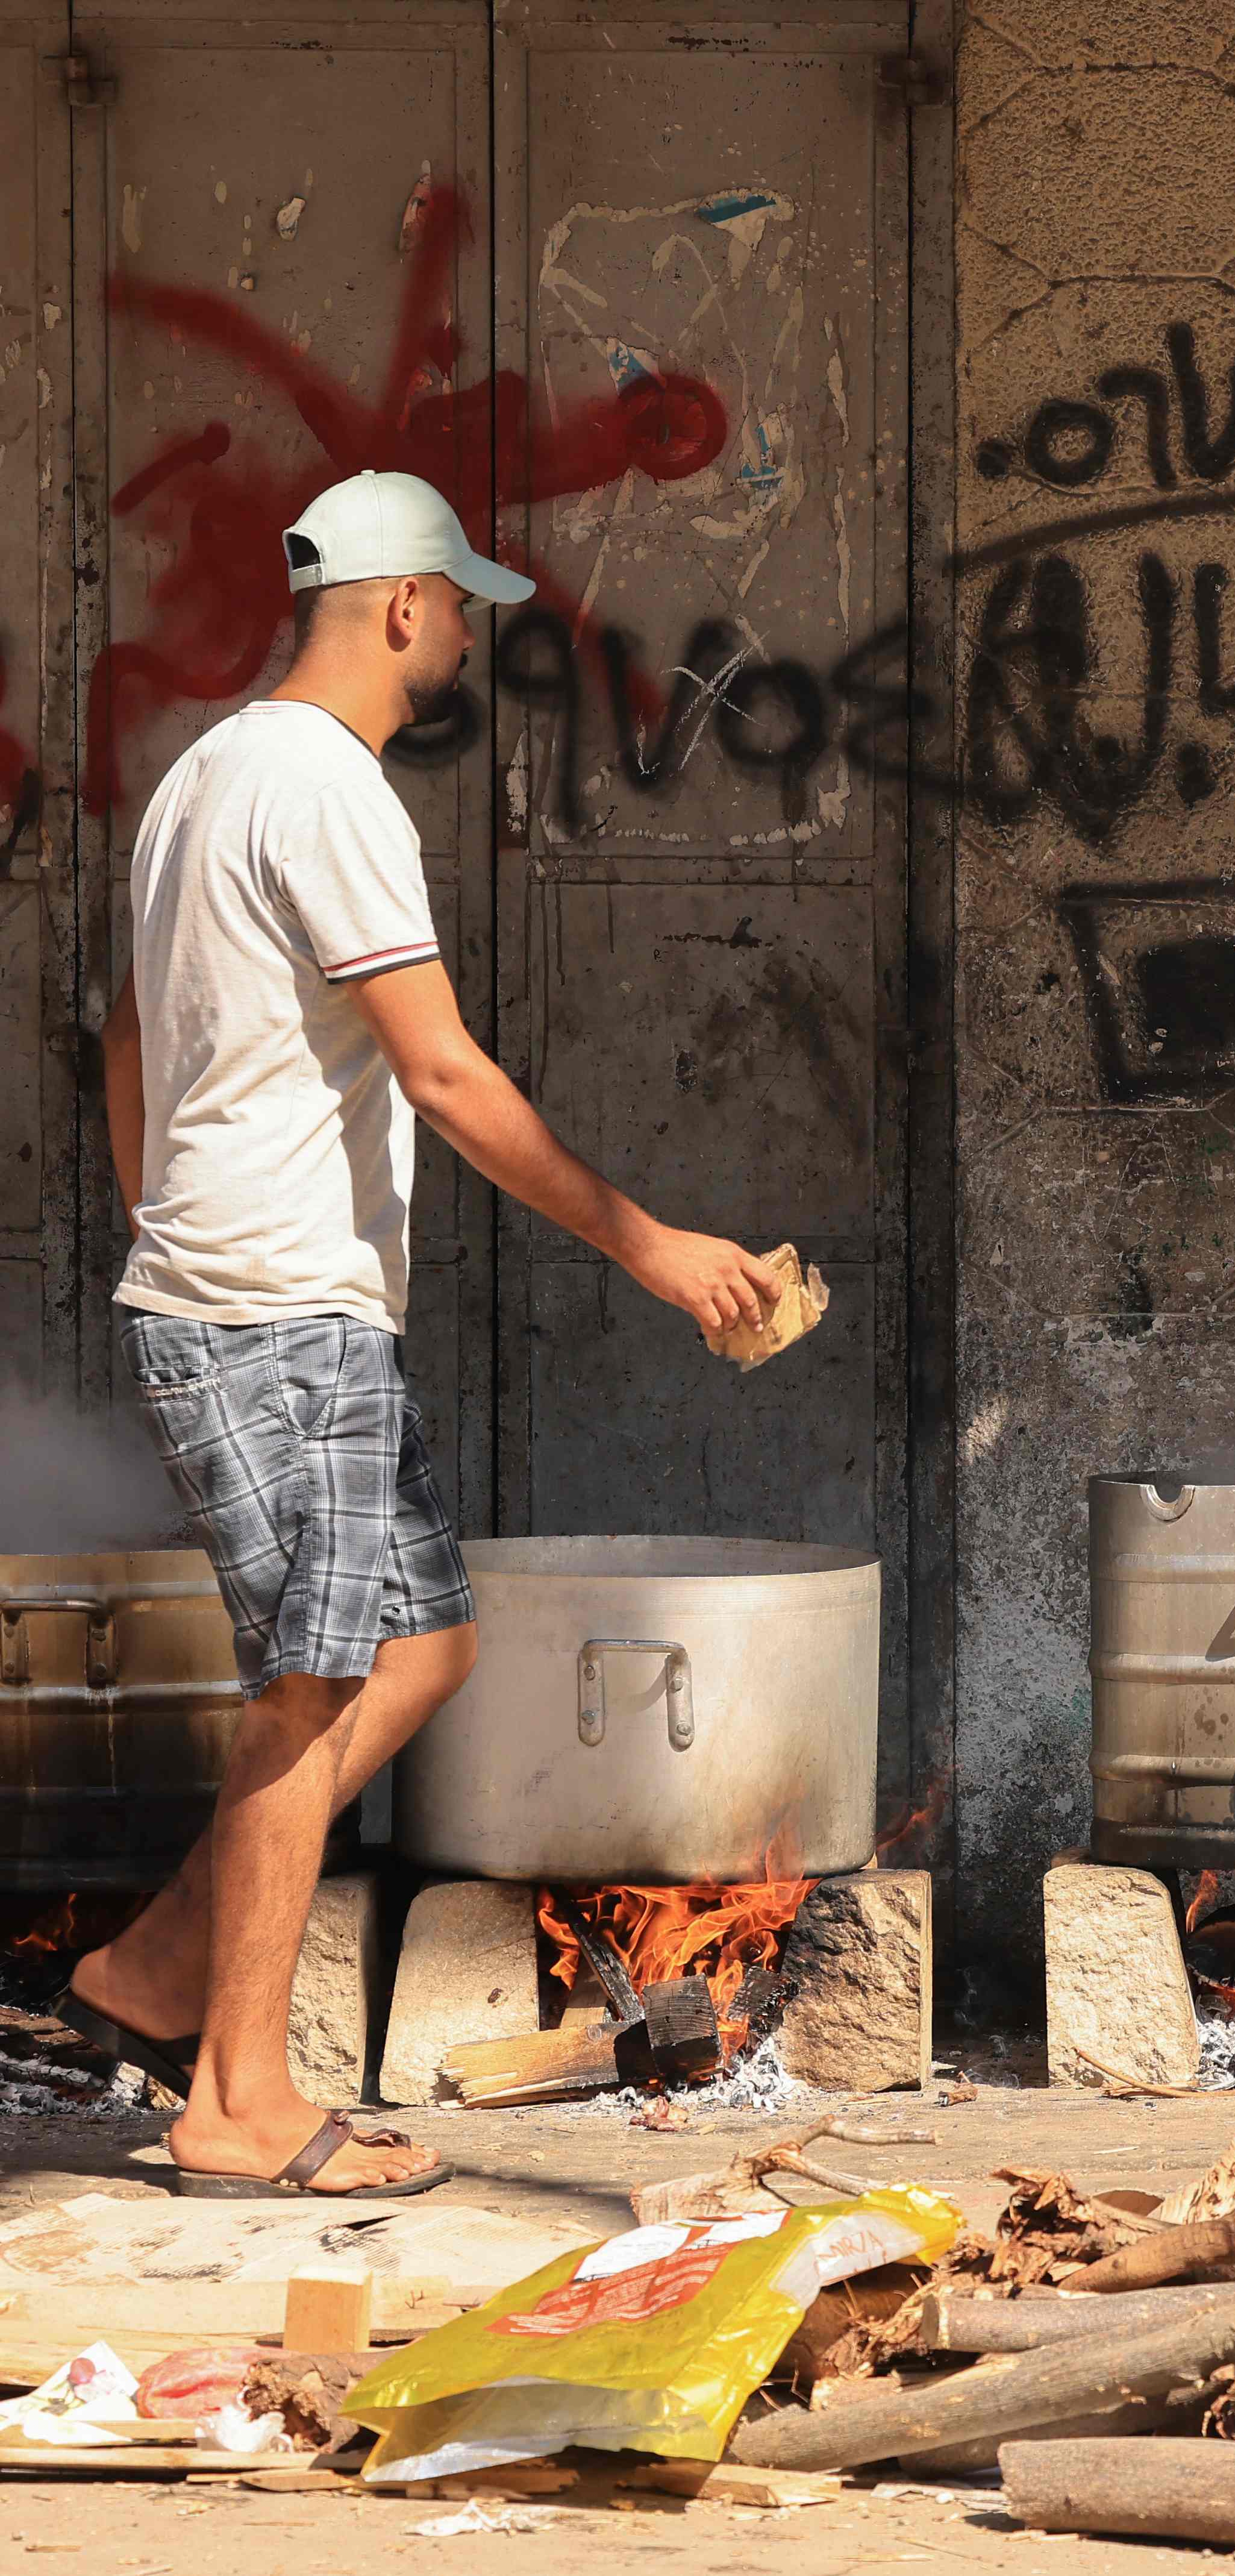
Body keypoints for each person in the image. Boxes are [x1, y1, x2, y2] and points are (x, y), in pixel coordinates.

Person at [60, 471, 777, 2196]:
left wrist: (168, 1210)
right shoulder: (329, 791)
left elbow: (122, 1043)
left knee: (423, 1649)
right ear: (397, 605)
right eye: (457, 605)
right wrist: (653, 1245)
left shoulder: (204, 776)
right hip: (277, 1309)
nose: (465, 632)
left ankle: (159, 1966)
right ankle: (236, 2100)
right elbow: (447, 1073)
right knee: (310, 1691)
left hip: (262, 1293)